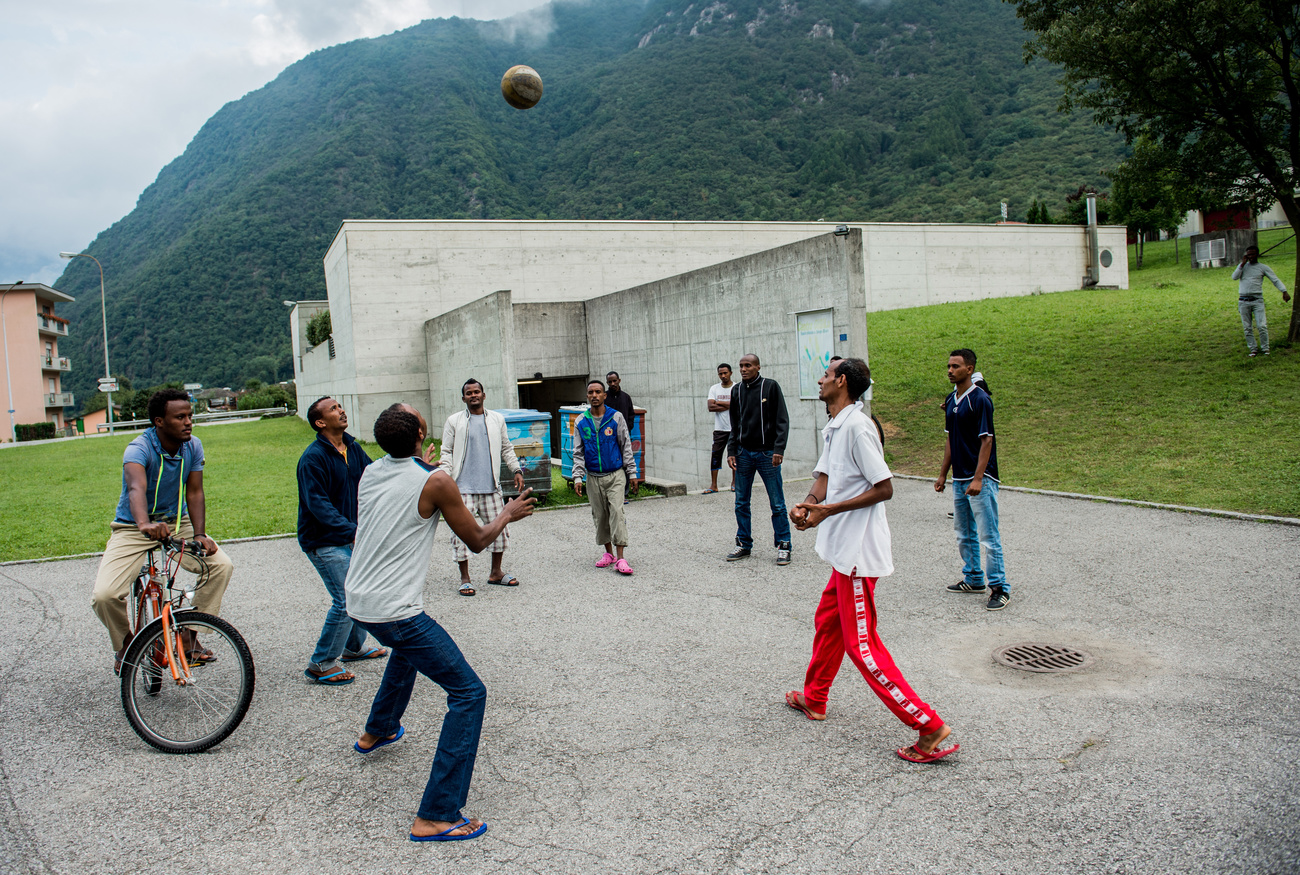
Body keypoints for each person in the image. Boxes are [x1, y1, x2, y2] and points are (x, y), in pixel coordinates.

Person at [345, 404, 536, 842]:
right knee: (469, 693)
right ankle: (437, 814)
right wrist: (506, 513)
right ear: (420, 431)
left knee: (408, 652)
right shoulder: (436, 481)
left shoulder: (371, 472)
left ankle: (378, 729)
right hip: (395, 609)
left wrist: (426, 469)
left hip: (359, 601)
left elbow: (407, 488)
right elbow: (477, 540)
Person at [786, 358, 958, 763]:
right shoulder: (837, 424)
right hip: (843, 552)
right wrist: (811, 503)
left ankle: (928, 725)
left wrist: (829, 510)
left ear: (841, 382)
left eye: (826, 375)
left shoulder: (859, 427)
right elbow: (826, 476)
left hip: (860, 554)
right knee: (828, 622)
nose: (820, 379)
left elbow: (884, 488)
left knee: (862, 646)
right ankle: (815, 698)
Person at [91, 388, 233, 673]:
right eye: (180, 417)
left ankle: (189, 638)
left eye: (190, 415)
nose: (188, 422)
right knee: (105, 595)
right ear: (159, 421)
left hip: (176, 524)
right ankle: (127, 645)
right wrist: (143, 523)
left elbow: (194, 492)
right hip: (133, 527)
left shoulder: (193, 446)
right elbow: (135, 488)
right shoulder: (138, 449)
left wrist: (201, 535)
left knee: (221, 566)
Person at [297, 396, 387, 687]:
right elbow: (318, 505)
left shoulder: (353, 448)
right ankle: (321, 663)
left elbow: (376, 475)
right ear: (320, 422)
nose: (342, 410)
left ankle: (353, 647)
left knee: (356, 591)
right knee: (346, 598)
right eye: (334, 409)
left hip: (349, 535)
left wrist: (415, 466)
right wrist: (353, 530)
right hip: (324, 541)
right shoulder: (313, 458)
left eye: (340, 406)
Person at [934, 348, 1007, 611]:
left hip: (981, 479)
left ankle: (999, 587)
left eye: (956, 366)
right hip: (960, 478)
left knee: (989, 535)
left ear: (969, 368)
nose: (950, 371)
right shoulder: (951, 400)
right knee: (964, 533)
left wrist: (978, 479)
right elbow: (950, 440)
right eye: (949, 366)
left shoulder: (980, 399)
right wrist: (944, 474)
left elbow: (987, 440)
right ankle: (974, 578)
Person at [438, 379, 526, 596]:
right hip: (461, 489)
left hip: (490, 487)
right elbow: (446, 451)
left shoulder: (497, 419)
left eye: (477, 392)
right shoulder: (454, 421)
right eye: (469, 393)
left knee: (500, 529)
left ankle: (496, 572)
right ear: (463, 398)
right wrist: (446, 477)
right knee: (460, 535)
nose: (473, 395)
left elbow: (506, 447)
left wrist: (516, 469)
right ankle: (465, 578)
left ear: (484, 395)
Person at [726, 353, 792, 565]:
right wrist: (732, 451)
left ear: (758, 367)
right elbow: (734, 425)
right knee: (741, 502)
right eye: (741, 366)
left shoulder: (770, 387)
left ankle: (783, 544)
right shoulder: (736, 390)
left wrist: (778, 449)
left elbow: (782, 420)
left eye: (748, 365)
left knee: (777, 503)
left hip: (767, 454)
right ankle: (744, 543)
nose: (744, 369)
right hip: (744, 454)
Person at [572, 379, 640, 575]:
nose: (594, 395)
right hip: (593, 477)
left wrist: (632, 473)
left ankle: (621, 558)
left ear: (604, 395)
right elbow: (578, 452)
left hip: (615, 475)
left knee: (617, 513)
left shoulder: (616, 418)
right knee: (600, 516)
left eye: (598, 392)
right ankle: (608, 554)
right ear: (587, 396)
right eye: (591, 392)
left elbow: (626, 446)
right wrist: (578, 477)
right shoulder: (581, 421)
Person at [1231, 245, 1290, 357]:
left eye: (1252, 254)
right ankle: (1253, 349)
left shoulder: (1262, 267)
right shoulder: (1242, 267)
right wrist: (1242, 264)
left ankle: (1265, 349)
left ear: (1257, 254)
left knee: (1261, 325)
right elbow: (1234, 277)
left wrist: (1284, 291)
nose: (1250, 257)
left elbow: (1275, 280)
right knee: (1247, 327)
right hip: (1243, 300)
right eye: (1248, 255)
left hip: (1257, 300)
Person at [705, 363, 735, 494]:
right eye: (720, 374)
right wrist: (730, 404)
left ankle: (734, 483)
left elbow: (738, 405)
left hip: (735, 429)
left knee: (735, 456)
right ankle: (713, 485)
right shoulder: (714, 388)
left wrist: (719, 402)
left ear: (730, 373)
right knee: (715, 455)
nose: (723, 376)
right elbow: (711, 407)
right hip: (720, 429)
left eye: (725, 373)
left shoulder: (737, 387)